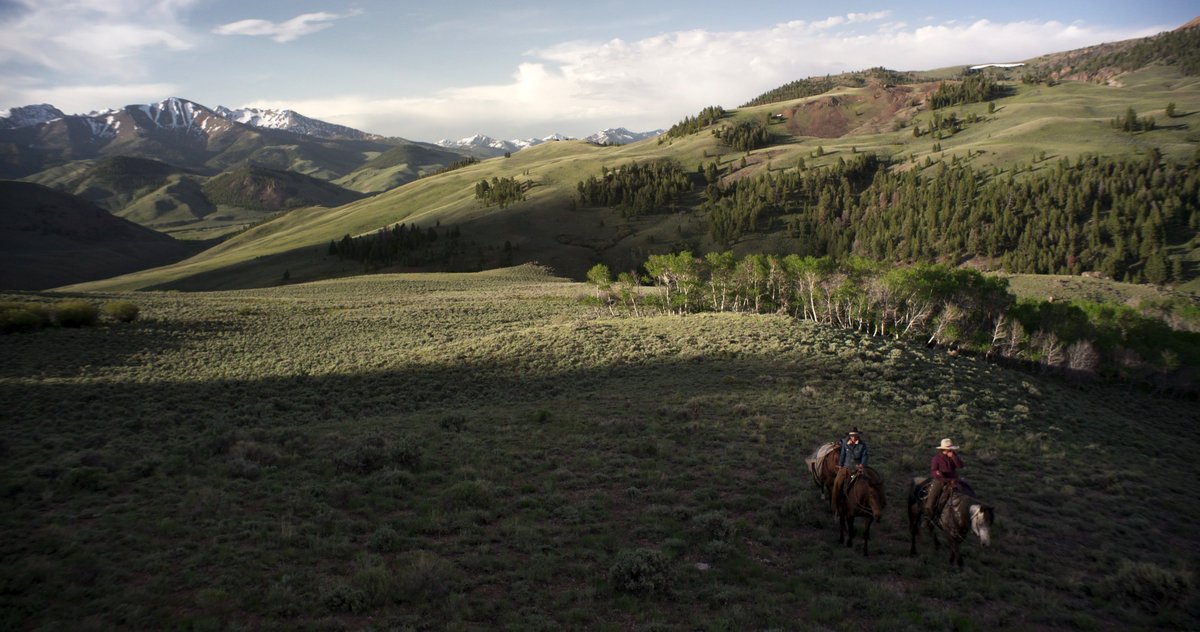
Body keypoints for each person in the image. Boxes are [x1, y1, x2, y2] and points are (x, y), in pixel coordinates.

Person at [925, 437, 964, 522]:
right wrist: (938, 474)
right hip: (941, 480)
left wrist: (953, 457)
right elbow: (934, 470)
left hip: (954, 479)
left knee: (966, 491)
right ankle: (928, 518)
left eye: (951, 449)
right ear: (943, 449)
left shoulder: (954, 456)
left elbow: (960, 465)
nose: (950, 451)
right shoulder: (937, 458)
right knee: (932, 499)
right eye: (948, 449)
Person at [831, 427, 868, 514]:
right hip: (846, 468)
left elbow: (865, 456)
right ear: (850, 436)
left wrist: (862, 464)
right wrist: (840, 465)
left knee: (868, 483)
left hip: (857, 469)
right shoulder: (845, 443)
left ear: (858, 436)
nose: (854, 437)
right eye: (852, 436)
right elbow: (843, 454)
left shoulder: (862, 445)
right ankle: (835, 506)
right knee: (837, 483)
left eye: (855, 435)